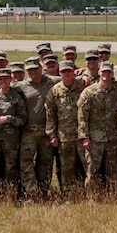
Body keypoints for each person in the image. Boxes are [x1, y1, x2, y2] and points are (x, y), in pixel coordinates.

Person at [14, 57, 57, 200]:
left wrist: (85, 77)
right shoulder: (21, 86)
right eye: (29, 70)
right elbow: (1, 88)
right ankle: (32, 192)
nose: (33, 72)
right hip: (28, 131)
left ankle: (43, 192)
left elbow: (72, 78)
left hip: (47, 130)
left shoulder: (52, 81)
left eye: (35, 69)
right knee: (25, 161)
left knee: (45, 162)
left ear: (41, 68)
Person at [77, 61, 117, 196]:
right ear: (99, 73)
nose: (106, 74)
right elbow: (82, 116)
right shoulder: (89, 92)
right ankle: (92, 197)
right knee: (92, 170)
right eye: (104, 72)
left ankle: (113, 195)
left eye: (109, 72)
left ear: (112, 74)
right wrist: (84, 137)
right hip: (94, 138)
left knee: (113, 170)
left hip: (112, 137)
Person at [0, 68, 27, 201]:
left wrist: (9, 119)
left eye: (6, 78)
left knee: (11, 167)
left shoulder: (17, 98)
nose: (3, 81)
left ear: (11, 79)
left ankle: (11, 194)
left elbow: (22, 119)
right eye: (0, 79)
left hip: (10, 140)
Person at [46, 60, 86, 197]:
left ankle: (90, 193)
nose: (66, 74)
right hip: (64, 136)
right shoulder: (55, 90)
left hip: (82, 135)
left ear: (73, 72)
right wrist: (51, 134)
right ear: (60, 73)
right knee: (67, 168)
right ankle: (69, 194)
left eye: (69, 71)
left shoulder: (83, 85)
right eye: (63, 71)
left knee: (87, 166)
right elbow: (50, 114)